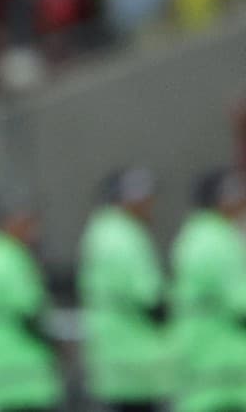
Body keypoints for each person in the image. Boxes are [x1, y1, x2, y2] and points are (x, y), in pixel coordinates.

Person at [78, 167, 172, 412]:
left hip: (113, 354)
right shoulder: (124, 236)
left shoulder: (100, 230)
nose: (150, 204)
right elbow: (150, 296)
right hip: (134, 358)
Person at [0, 193, 63, 412]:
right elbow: (28, 311)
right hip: (22, 371)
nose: (34, 230)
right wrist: (57, 344)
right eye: (27, 222)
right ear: (9, 222)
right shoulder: (8, 257)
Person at [170, 168, 246, 412]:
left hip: (202, 361)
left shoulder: (196, 233)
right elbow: (240, 302)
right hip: (222, 369)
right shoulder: (218, 240)